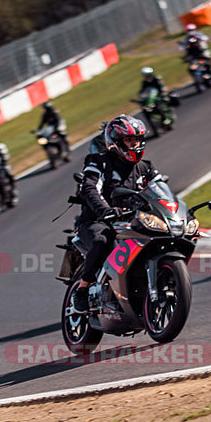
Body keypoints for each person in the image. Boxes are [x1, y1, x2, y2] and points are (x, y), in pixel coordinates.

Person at [71, 114, 156, 313]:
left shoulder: (146, 167)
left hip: (132, 221)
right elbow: (90, 188)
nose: (134, 145)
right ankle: (82, 289)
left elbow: (160, 189)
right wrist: (106, 211)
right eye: (129, 140)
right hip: (97, 221)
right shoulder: (98, 161)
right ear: (116, 142)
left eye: (137, 140)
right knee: (103, 240)